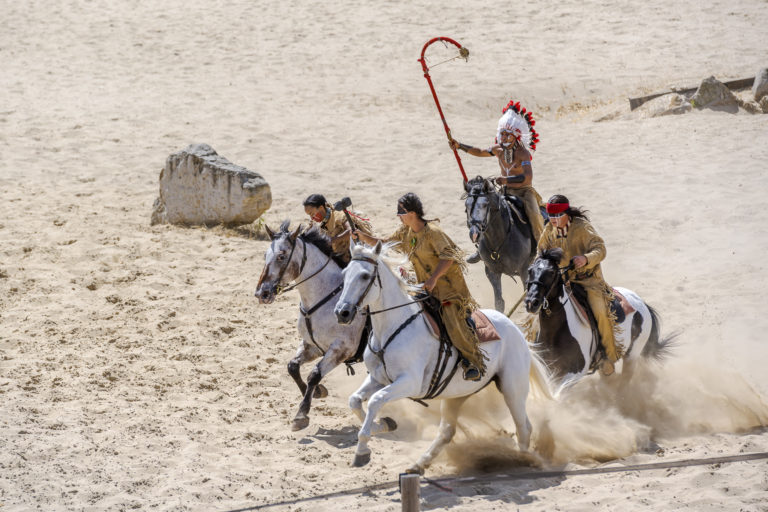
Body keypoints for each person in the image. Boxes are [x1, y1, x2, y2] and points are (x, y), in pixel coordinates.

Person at [352, 193, 486, 381]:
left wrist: (433, 279)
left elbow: (449, 257)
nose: (398, 215)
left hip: (449, 291)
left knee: (451, 320)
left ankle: (471, 361)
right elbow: (386, 243)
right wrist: (364, 237)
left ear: (412, 213)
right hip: (423, 289)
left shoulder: (433, 232)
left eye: (401, 212)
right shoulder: (405, 232)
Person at [537, 194, 621, 376]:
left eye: (558, 216)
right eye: (551, 216)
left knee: (600, 311)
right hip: (561, 281)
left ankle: (607, 355)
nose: (554, 220)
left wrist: (586, 259)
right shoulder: (549, 229)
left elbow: (600, 248)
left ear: (567, 213)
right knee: (535, 309)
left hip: (588, 281)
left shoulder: (582, 227)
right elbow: (541, 250)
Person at [449, 101, 545, 259]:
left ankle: (543, 251)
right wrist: (459, 146)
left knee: (534, 215)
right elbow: (479, 152)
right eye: (503, 134)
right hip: (504, 191)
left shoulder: (523, 154)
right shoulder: (498, 149)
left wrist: (506, 180)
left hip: (524, 192)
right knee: (484, 211)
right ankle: (481, 248)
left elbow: (528, 177)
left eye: (509, 134)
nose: (505, 137)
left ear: (516, 135)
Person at [303, 194, 373, 265]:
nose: (312, 218)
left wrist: (334, 240)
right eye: (309, 215)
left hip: (357, 256)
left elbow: (351, 230)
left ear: (321, 208)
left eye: (312, 213)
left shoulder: (338, 215)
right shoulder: (321, 225)